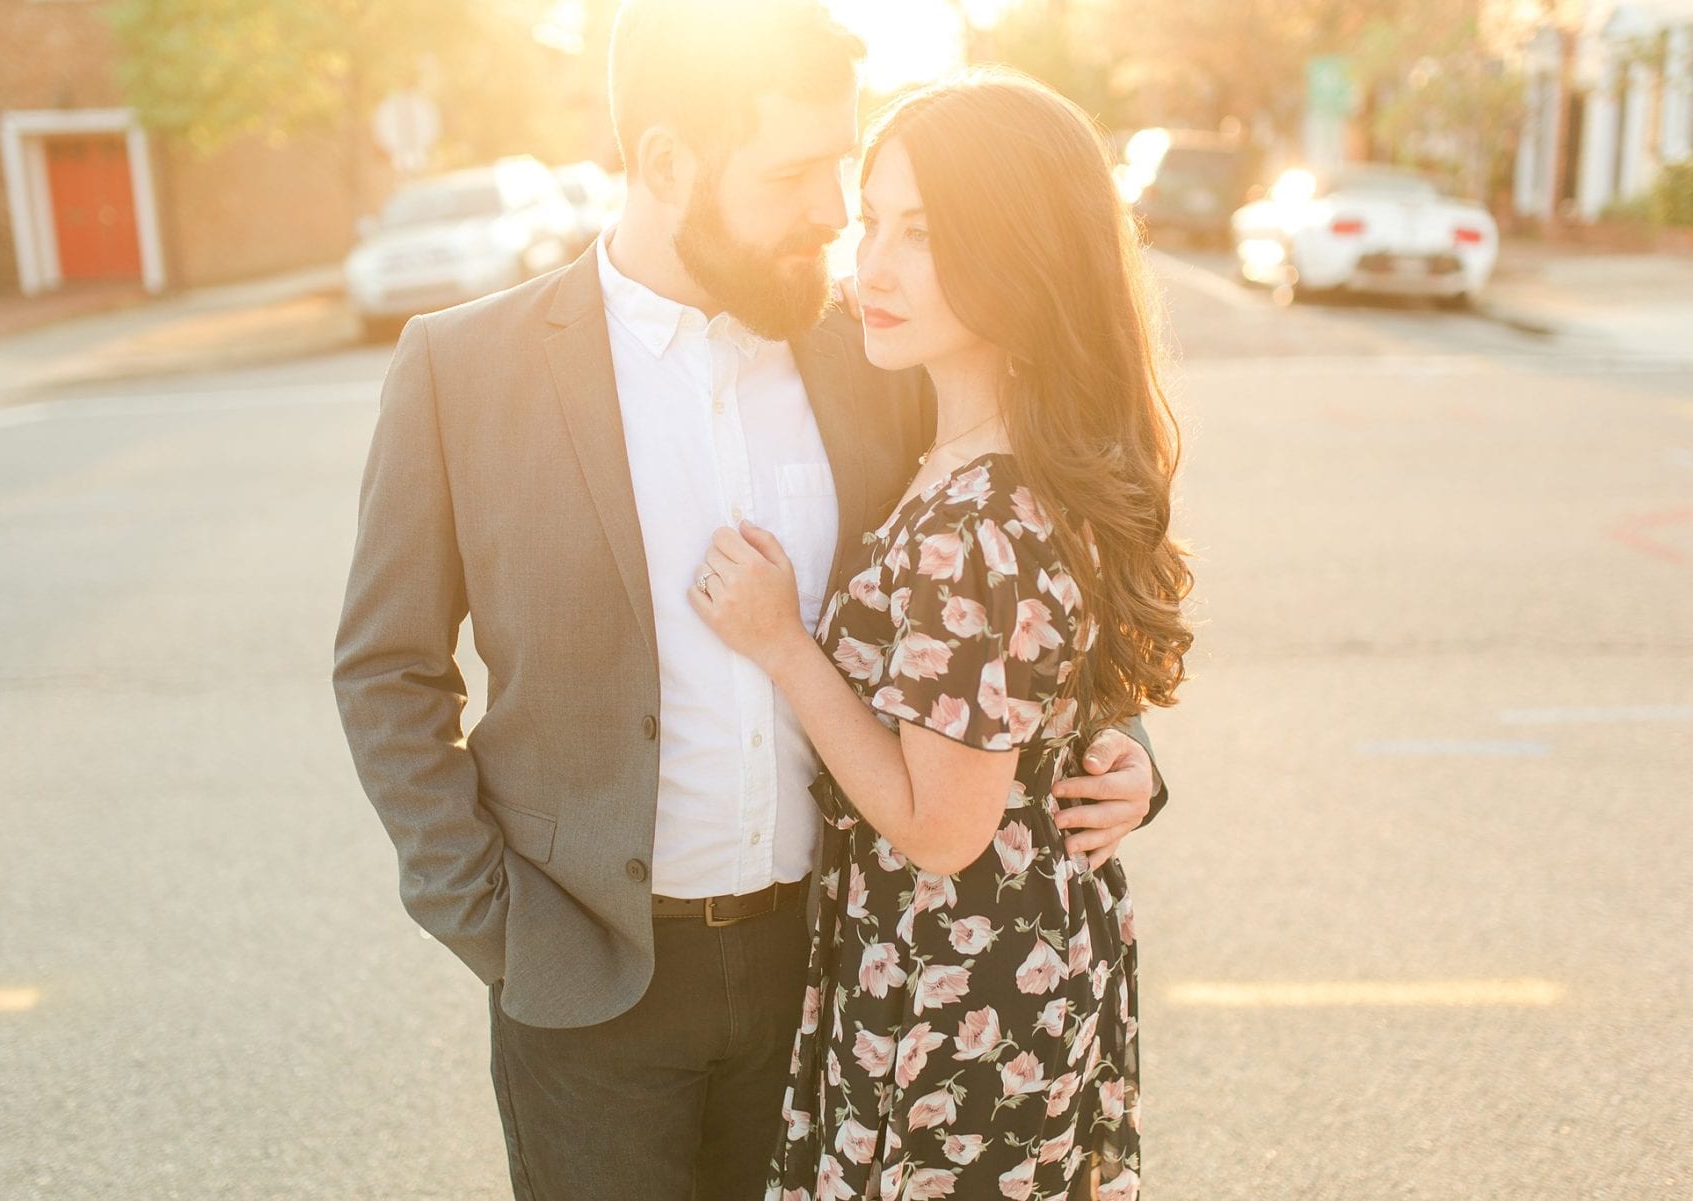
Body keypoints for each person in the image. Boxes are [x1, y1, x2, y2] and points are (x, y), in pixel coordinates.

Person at [331, 4, 1169, 1199]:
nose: (834, 212)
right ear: (668, 163)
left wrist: (1118, 744)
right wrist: (495, 924)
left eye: (842, 166)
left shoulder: (871, 352)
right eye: (796, 173)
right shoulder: (464, 370)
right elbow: (386, 668)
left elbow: (1011, 567)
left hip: (830, 965)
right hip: (588, 983)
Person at [691, 69, 1194, 1201]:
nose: (870, 266)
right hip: (988, 964)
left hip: (964, 1001)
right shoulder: (985, 458)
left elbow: (940, 824)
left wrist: (782, 645)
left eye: (922, 232)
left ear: (1020, 250)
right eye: (873, 222)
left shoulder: (984, 515)